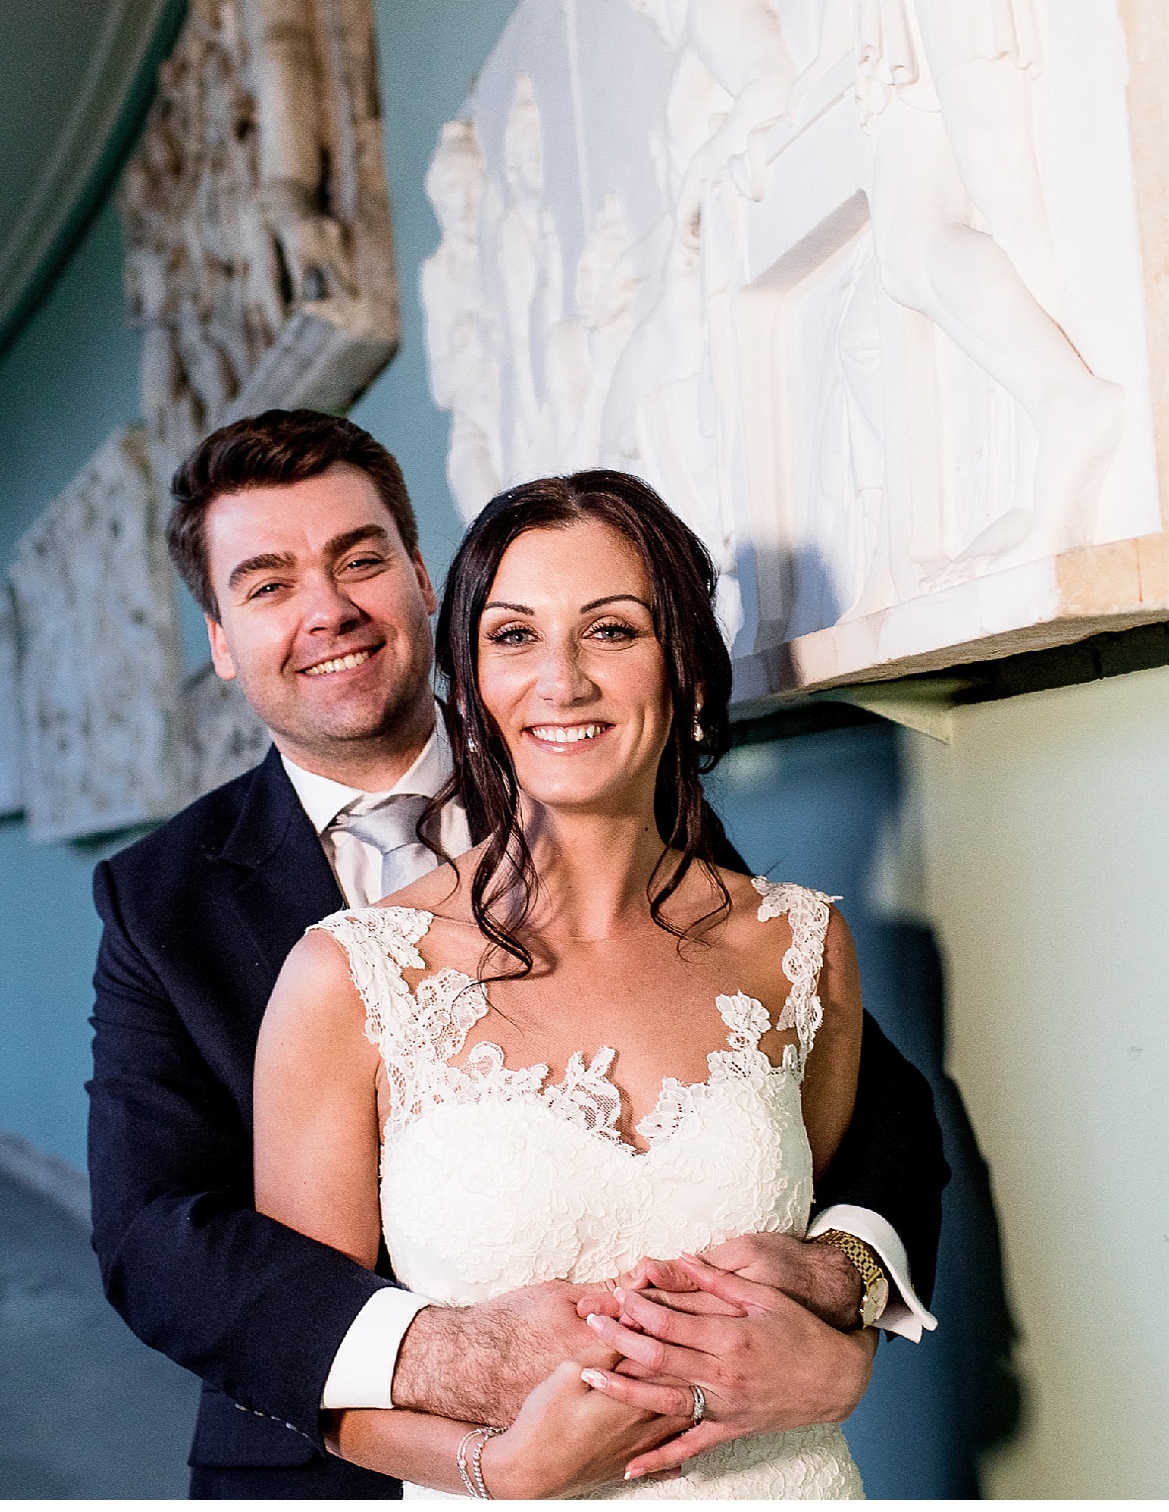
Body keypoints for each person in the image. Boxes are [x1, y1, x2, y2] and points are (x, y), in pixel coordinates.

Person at [87, 411, 948, 1498]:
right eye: (266, 585)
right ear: (218, 637)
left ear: (421, 576)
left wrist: (841, 1304)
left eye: (359, 559)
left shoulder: (619, 784)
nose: (327, 610)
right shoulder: (163, 905)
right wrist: (466, 1377)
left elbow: (862, 1107)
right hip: (340, 1457)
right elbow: (157, 1239)